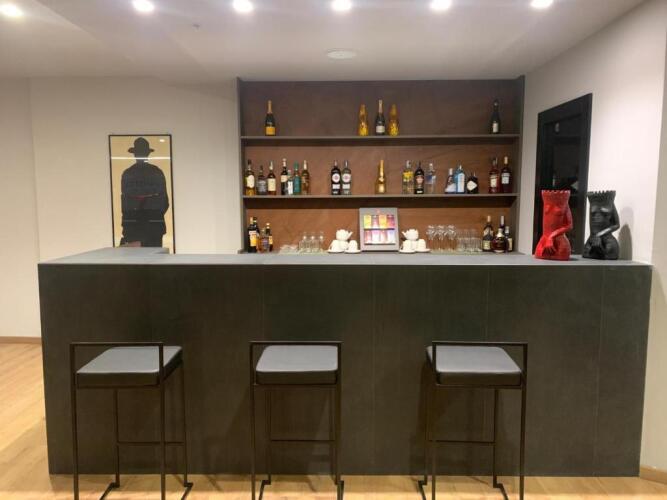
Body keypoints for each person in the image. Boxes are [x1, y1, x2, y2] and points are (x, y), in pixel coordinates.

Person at [119, 137, 169, 247]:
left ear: (134, 154)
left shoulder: (128, 173)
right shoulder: (156, 172)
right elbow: (164, 203)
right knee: (154, 255)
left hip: (134, 226)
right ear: (147, 154)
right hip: (153, 225)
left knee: (134, 257)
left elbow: (125, 204)